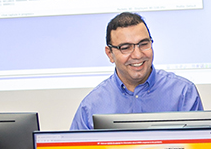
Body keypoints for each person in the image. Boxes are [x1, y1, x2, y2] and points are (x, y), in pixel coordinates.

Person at [70, 12, 203, 130]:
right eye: (126, 47)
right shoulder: (91, 106)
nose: (138, 55)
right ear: (110, 54)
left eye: (144, 44)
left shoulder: (184, 93)